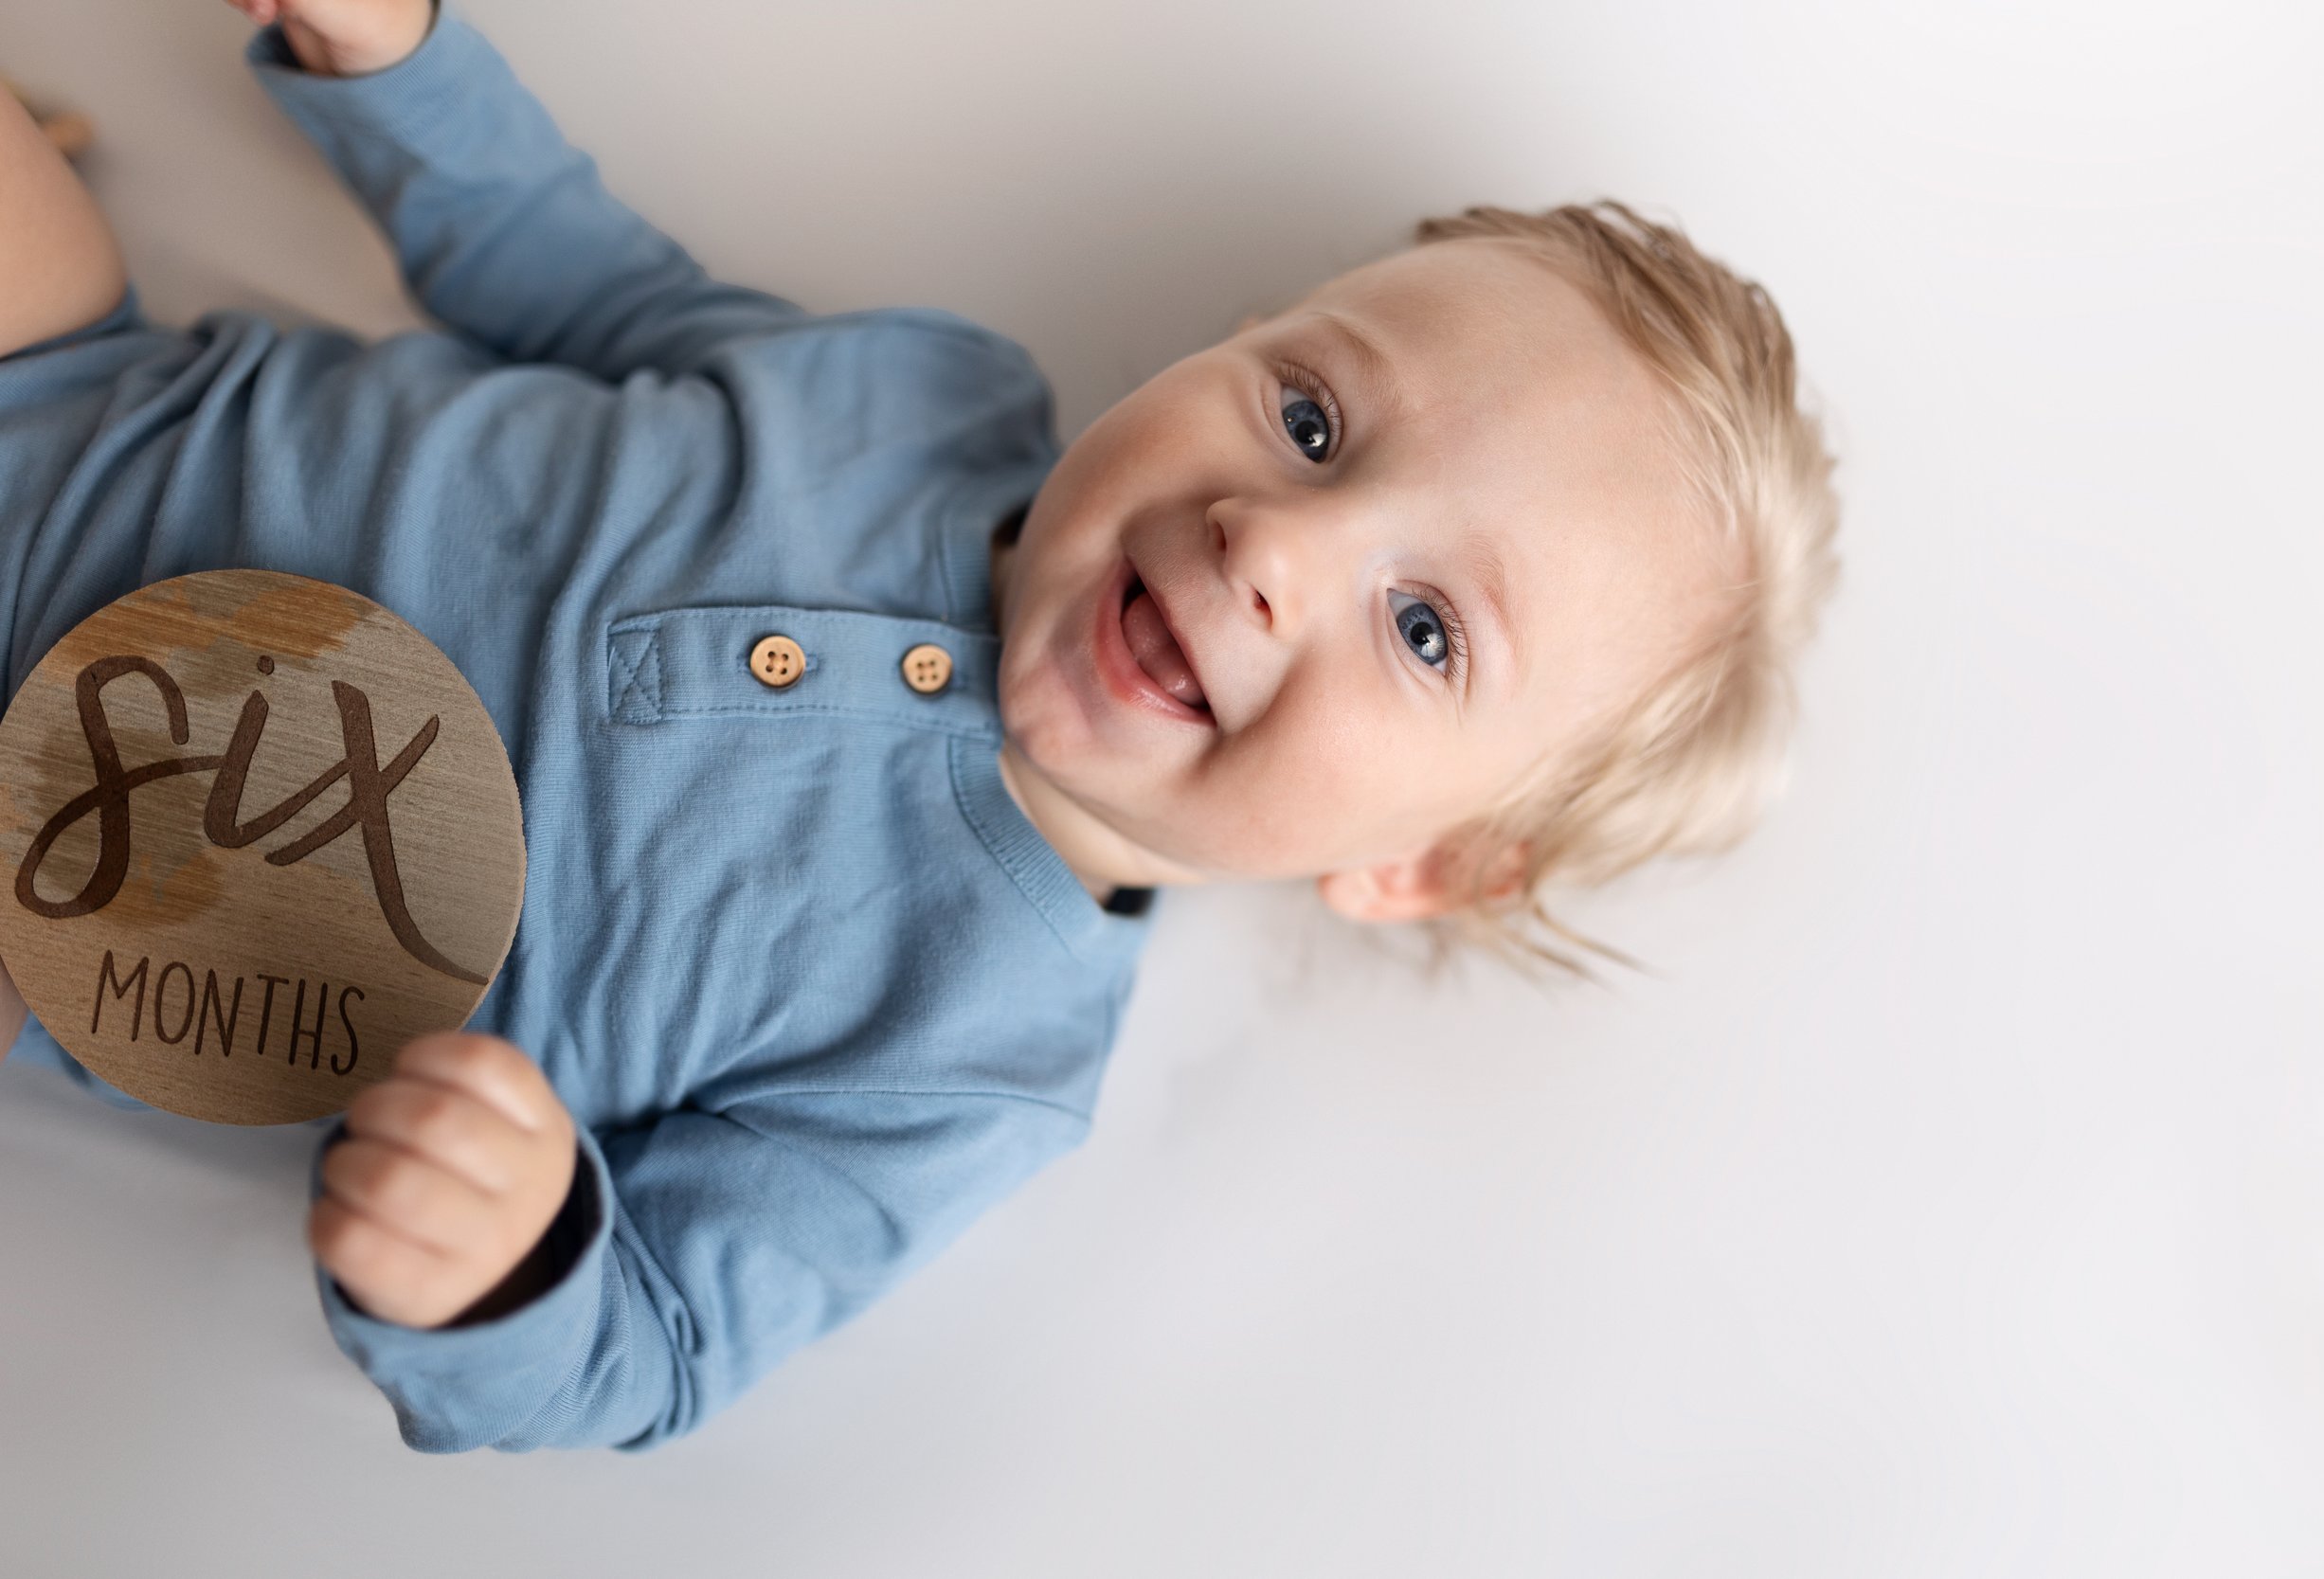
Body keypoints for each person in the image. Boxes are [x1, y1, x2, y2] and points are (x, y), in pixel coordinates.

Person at [0, 0, 1841, 1451]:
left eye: (1425, 630)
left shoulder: (967, 1057)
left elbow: (657, 1345)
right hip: (81, 397)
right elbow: (574, 275)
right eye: (1308, 420)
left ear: (1419, 865)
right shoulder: (922, 399)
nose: (1275, 547)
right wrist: (396, 56)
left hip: (55, 870)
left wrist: (507, 1271)